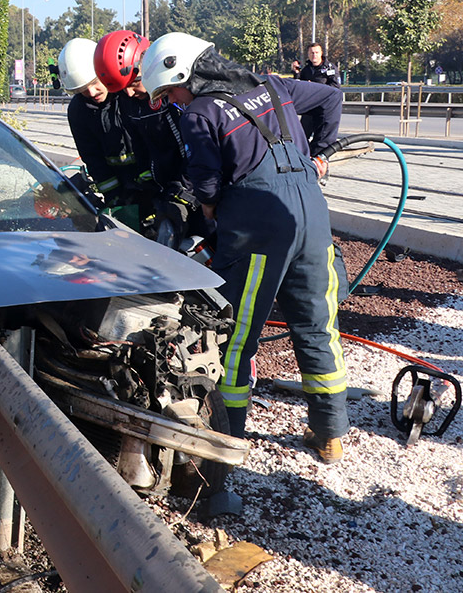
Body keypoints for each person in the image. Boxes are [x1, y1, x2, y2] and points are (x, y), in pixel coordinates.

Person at [141, 32, 349, 464]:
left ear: (188, 75)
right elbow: (331, 99)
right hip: (311, 214)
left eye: (172, 91)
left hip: (256, 226)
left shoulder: (200, 111)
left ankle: (227, 439)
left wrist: (212, 210)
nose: (175, 101)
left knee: (236, 338)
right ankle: (329, 434)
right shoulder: (275, 84)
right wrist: (322, 152)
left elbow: (206, 179)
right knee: (316, 326)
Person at [93, 30, 204, 248]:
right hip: (166, 193)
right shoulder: (130, 100)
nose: (130, 94)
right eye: (122, 89)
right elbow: (142, 146)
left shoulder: (177, 95)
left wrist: (183, 194)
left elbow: (197, 151)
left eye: (134, 84)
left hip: (197, 192)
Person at [60, 37, 156, 231]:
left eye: (95, 83)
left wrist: (151, 183)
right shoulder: (78, 111)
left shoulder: (129, 94)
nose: (92, 92)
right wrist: (114, 197)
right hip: (120, 189)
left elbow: (154, 141)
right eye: (82, 90)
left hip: (153, 184)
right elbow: (92, 157)